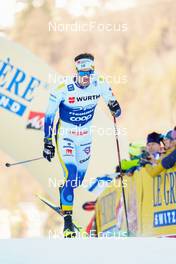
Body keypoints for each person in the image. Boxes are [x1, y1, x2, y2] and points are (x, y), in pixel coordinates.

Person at [43, 53, 121, 237]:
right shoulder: (63, 88)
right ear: (76, 71)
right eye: (83, 73)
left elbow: (116, 107)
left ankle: (65, 190)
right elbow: (48, 117)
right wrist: (47, 142)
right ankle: (68, 223)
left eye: (89, 72)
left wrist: (115, 108)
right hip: (66, 136)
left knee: (76, 180)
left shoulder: (99, 83)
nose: (86, 77)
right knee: (70, 174)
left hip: (85, 137)